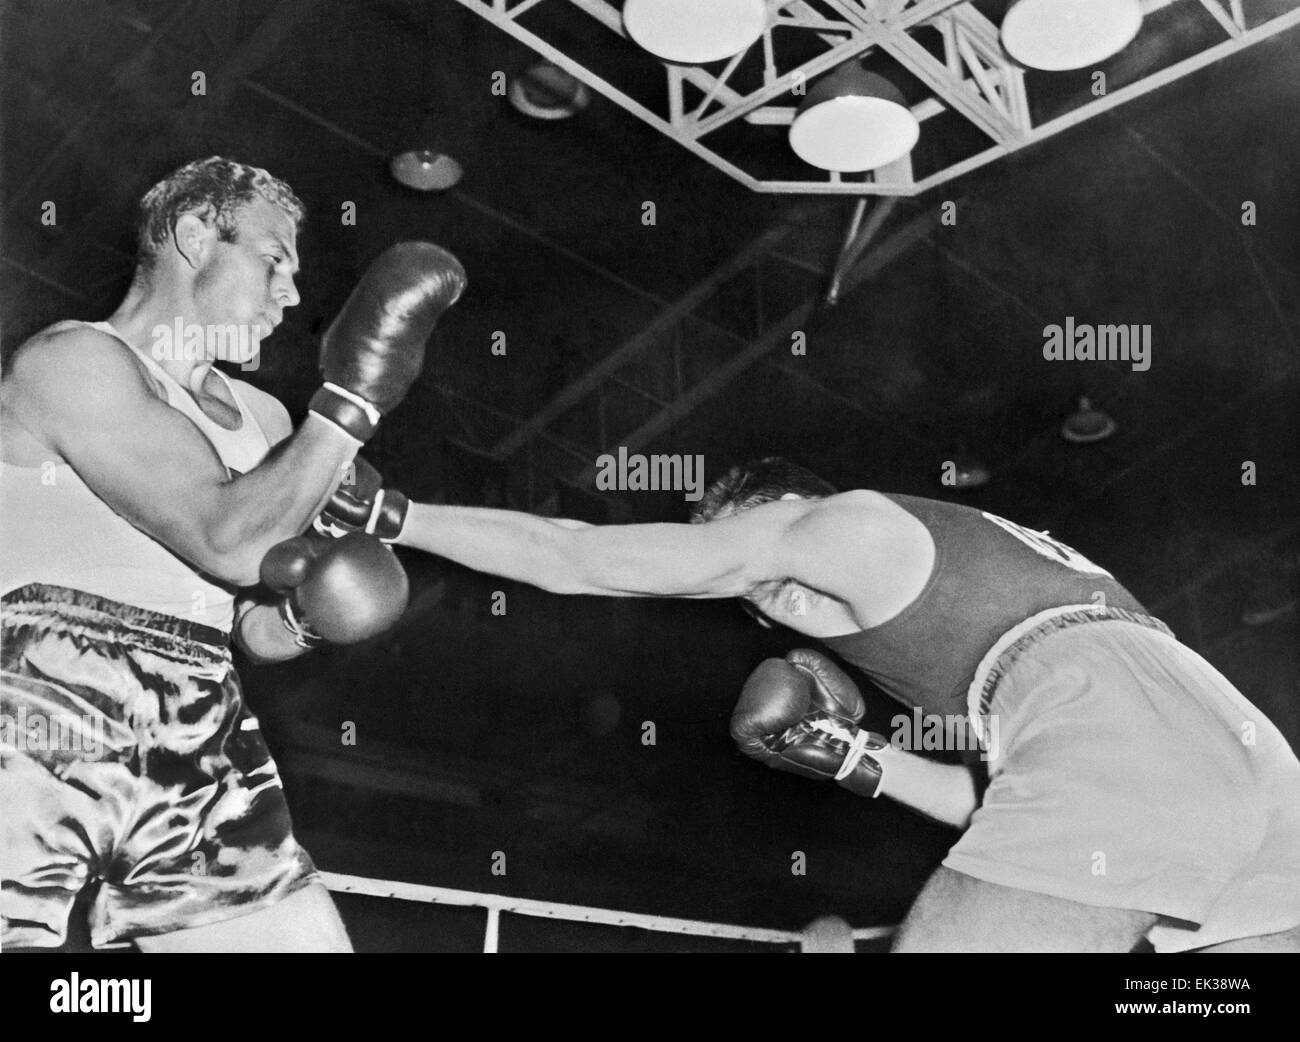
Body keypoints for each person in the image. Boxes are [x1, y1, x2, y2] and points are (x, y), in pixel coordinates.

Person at [314, 456, 1300, 952]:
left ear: (775, 510)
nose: (757, 598)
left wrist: (399, 516)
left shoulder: (843, 528)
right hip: (1249, 775)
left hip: (1125, 754)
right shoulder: (985, 595)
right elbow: (1040, 807)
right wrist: (851, 757)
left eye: (736, 561)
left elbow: (582, 558)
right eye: (746, 597)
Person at [0, 156, 464, 951]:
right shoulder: (68, 360)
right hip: (40, 697)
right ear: (191, 236)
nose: (291, 293)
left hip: (200, 715)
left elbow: (249, 624)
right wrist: (351, 405)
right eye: (273, 260)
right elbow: (227, 537)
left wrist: (309, 616)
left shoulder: (268, 419)